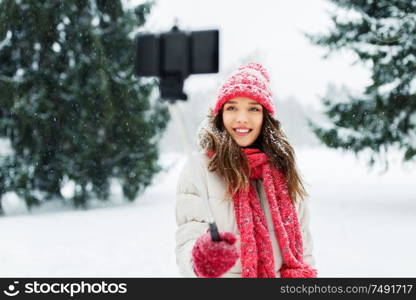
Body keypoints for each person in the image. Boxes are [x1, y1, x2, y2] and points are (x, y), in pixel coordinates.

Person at [175, 62, 318, 278]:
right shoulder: (200, 169)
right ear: (220, 114)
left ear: (265, 117)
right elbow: (188, 237)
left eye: (253, 108)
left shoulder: (284, 168)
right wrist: (199, 259)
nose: (242, 118)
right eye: (232, 107)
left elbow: (304, 249)